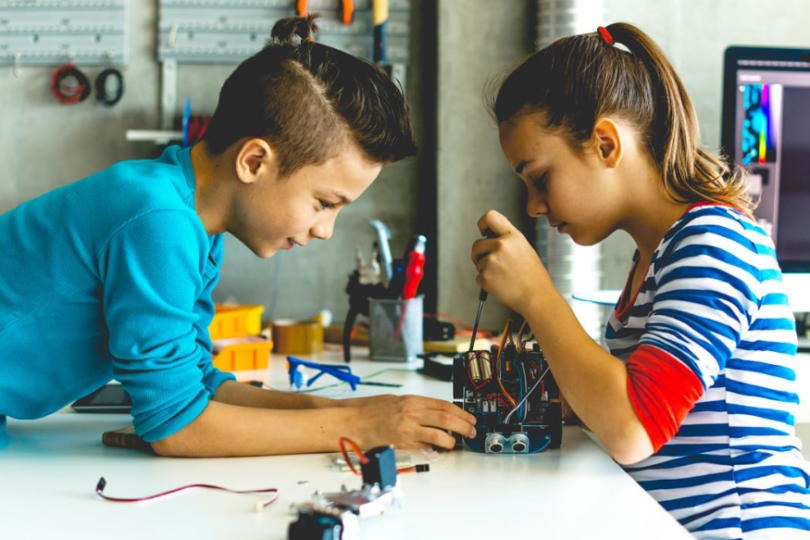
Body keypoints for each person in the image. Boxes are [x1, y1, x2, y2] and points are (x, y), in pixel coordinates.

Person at [0, 15, 476, 457]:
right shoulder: (156, 220)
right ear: (253, 162)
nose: (325, 230)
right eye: (325, 203)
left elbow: (199, 384)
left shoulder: (192, 220)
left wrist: (347, 412)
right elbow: (176, 425)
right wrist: (361, 430)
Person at [473, 23, 810, 539]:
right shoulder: (658, 255)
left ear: (606, 144)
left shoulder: (713, 241)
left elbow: (633, 427)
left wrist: (537, 295)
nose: (534, 207)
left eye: (539, 177)